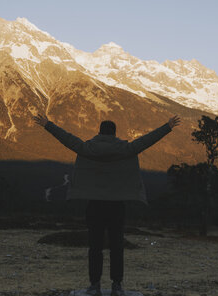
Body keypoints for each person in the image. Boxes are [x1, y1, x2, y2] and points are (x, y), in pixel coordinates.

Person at [33, 114, 181, 296]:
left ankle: (94, 285)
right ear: (114, 133)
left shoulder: (87, 148)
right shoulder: (126, 149)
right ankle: (117, 286)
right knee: (117, 247)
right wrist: (167, 126)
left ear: (99, 132)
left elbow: (67, 139)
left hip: (95, 205)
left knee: (95, 247)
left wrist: (48, 125)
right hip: (117, 206)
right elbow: (146, 141)